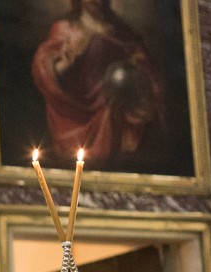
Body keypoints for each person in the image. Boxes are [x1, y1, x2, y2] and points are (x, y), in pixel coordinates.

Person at [31, 0, 163, 164]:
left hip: (116, 103)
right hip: (78, 107)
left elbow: (145, 66)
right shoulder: (65, 29)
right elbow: (44, 67)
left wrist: (138, 64)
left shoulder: (121, 31)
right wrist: (62, 66)